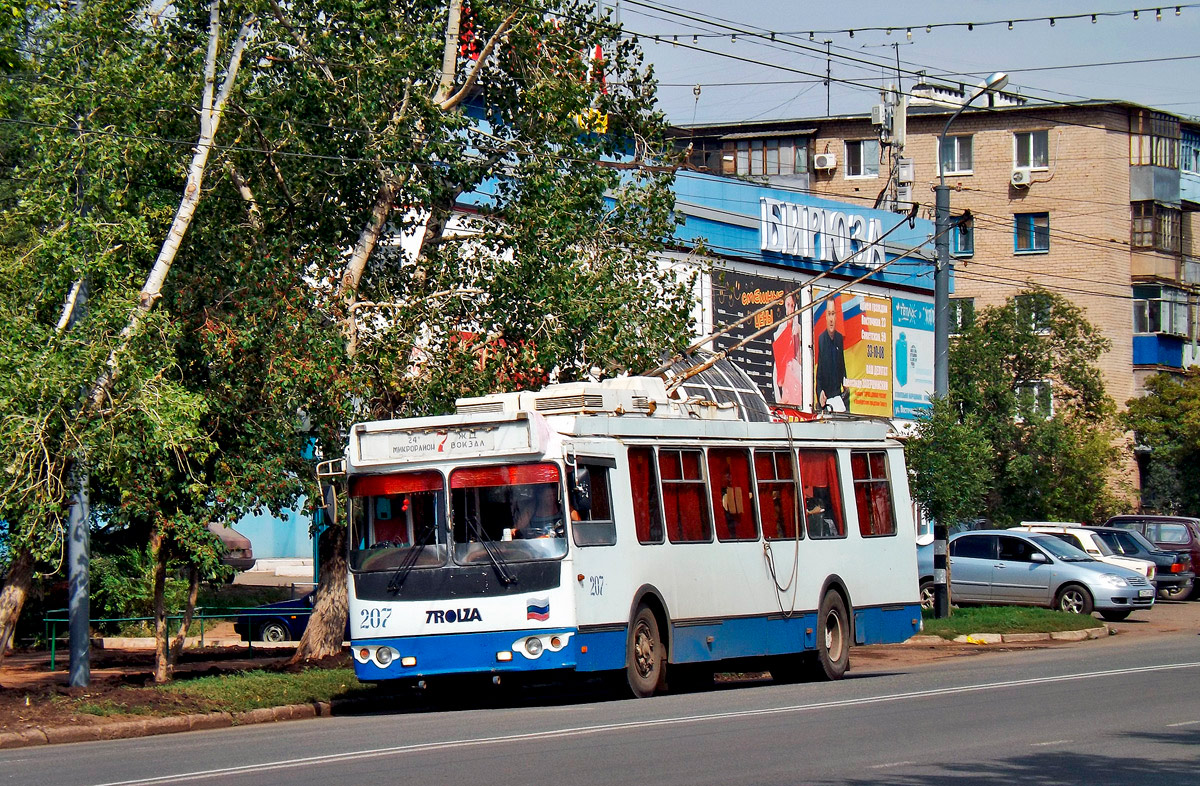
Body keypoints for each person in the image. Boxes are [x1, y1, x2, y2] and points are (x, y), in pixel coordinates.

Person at [815, 303, 848, 411]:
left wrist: (846, 383)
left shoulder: (839, 338)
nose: (831, 319)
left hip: (839, 398)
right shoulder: (821, 339)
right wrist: (820, 392)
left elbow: (842, 365)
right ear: (825, 317)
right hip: (827, 399)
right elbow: (819, 374)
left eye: (833, 314)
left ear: (836, 316)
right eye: (829, 314)